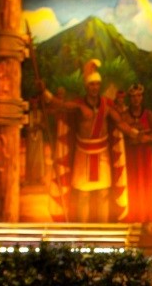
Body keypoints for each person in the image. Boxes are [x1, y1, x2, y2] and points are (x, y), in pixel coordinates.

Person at [42, 59, 129, 223]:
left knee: (103, 194)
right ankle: (83, 236)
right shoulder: (78, 103)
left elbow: (119, 122)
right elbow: (61, 105)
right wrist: (45, 93)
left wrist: (134, 132)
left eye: (97, 84)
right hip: (83, 154)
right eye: (91, 85)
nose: (94, 87)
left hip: (102, 153)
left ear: (100, 85)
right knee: (83, 195)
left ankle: (102, 234)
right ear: (86, 86)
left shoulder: (107, 104)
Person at [119, 83, 152, 223]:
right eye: (133, 96)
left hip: (144, 154)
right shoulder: (124, 115)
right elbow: (121, 134)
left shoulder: (148, 114)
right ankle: (132, 214)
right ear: (130, 98)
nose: (136, 99)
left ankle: (145, 215)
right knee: (132, 182)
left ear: (142, 97)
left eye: (139, 96)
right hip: (130, 154)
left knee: (145, 183)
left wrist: (143, 138)